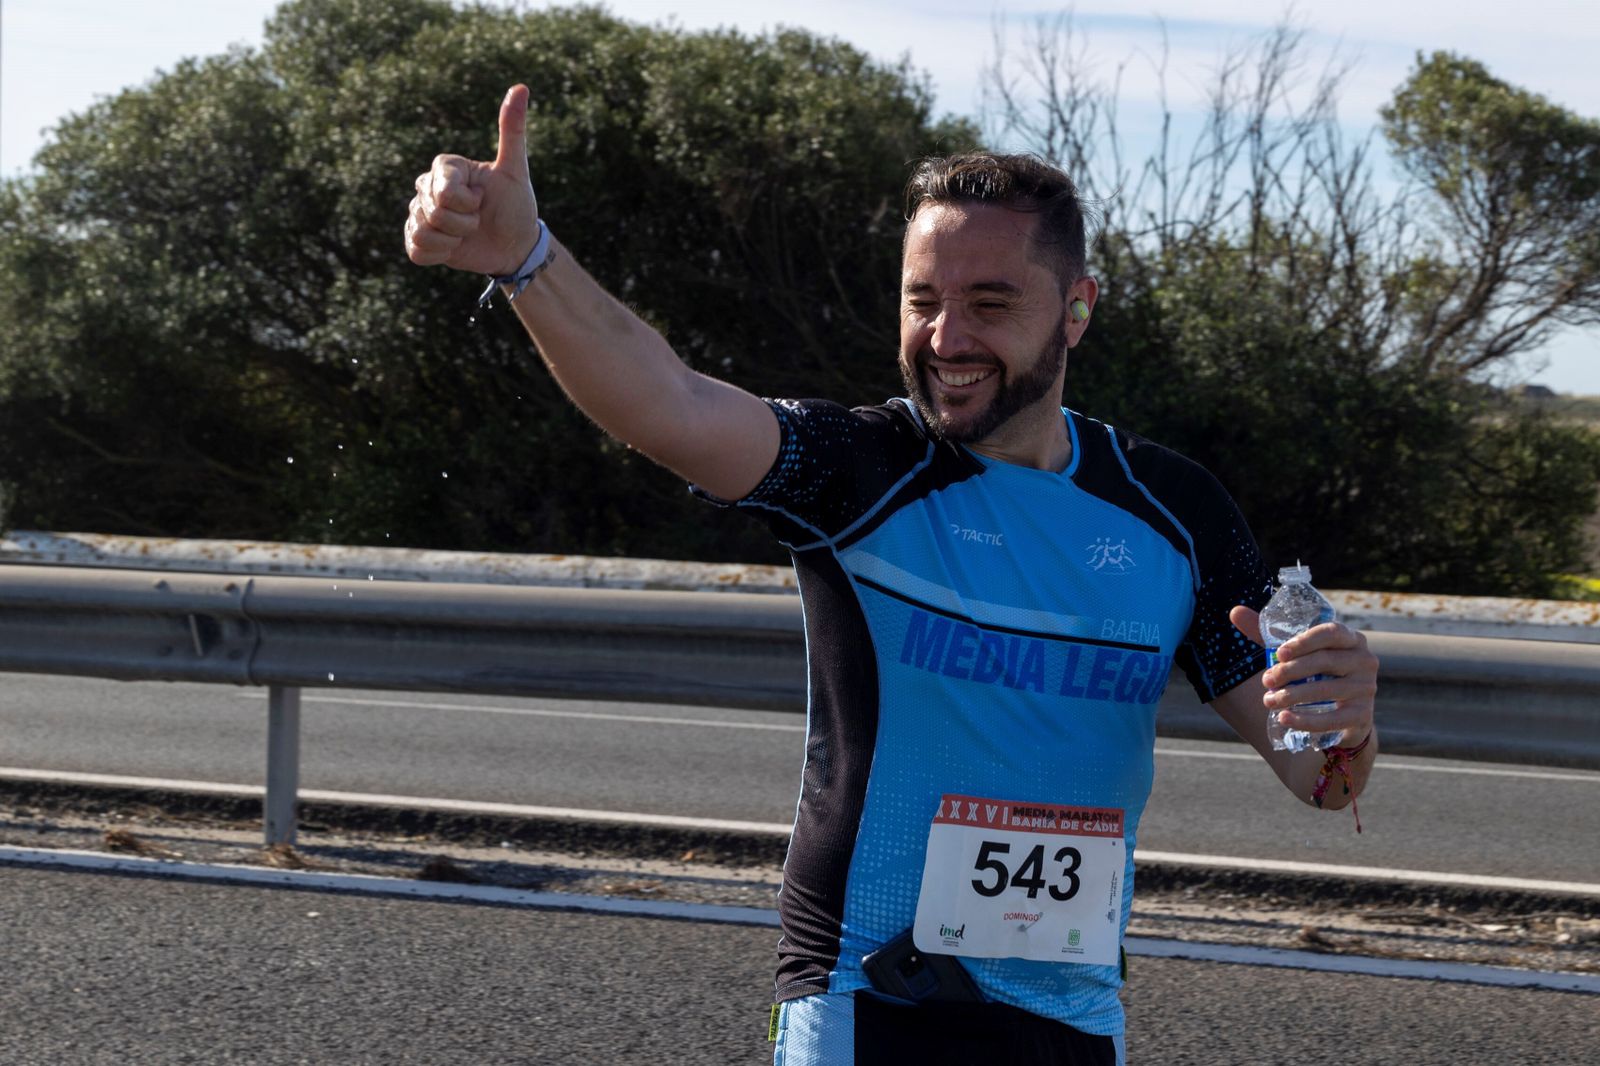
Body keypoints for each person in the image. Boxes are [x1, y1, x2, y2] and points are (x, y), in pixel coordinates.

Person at [405, 84, 1380, 1066]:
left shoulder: (1176, 512)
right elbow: (670, 402)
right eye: (923, 301)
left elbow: (1323, 774)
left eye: (989, 304)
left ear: (1076, 310)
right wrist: (531, 262)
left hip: (1072, 1023)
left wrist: (1347, 718)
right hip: (865, 1002)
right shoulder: (860, 470)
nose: (948, 340)